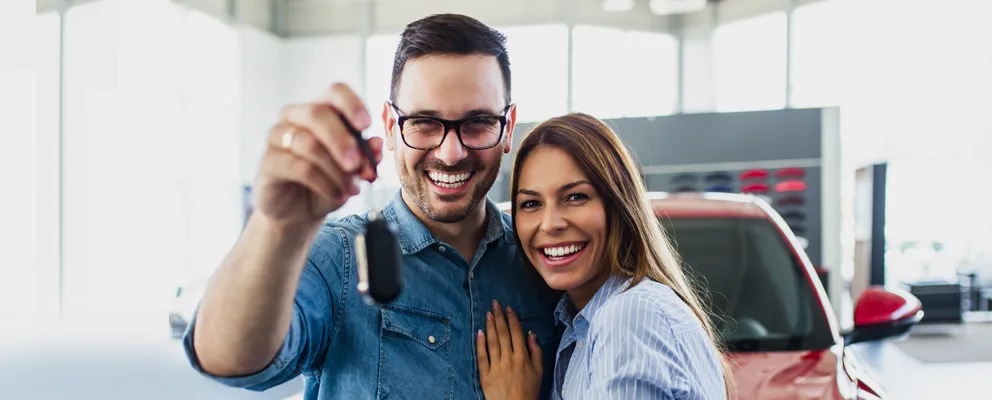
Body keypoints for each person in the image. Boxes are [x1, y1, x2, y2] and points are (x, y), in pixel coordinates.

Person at [182, 14, 561, 400]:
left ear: (508, 127)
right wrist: (277, 227)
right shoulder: (339, 258)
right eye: (424, 122)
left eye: (478, 122)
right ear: (390, 125)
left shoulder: (544, 257)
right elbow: (227, 360)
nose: (450, 153)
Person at [475, 113, 734, 399]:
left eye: (575, 197)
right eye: (531, 203)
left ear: (618, 204)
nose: (550, 223)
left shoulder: (630, 317)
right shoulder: (582, 324)